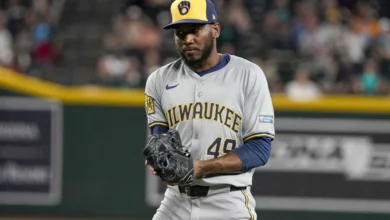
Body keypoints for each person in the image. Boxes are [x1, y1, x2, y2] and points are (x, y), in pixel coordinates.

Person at [144, 0, 275, 219]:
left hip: (227, 201)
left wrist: (200, 167)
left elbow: (260, 149)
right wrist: (159, 160)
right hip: (176, 201)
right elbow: (160, 139)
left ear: (215, 29)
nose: (188, 39)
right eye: (180, 32)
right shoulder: (158, 80)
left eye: (195, 30)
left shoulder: (248, 75)